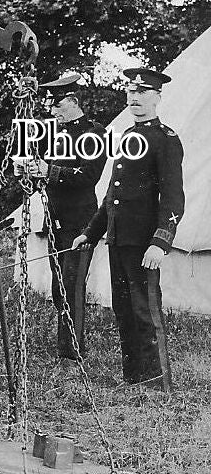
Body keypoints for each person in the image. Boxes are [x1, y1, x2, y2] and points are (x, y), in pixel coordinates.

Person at [71, 67, 183, 390]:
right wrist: (90, 233)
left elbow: (174, 198)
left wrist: (160, 243)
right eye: (131, 93)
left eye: (143, 93)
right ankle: (133, 378)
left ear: (157, 98)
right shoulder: (128, 136)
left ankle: (157, 384)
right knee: (123, 309)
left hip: (144, 244)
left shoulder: (165, 141)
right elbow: (112, 195)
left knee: (146, 311)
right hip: (118, 241)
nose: (135, 98)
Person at [27, 73, 106, 363]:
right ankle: (67, 346)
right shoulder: (57, 135)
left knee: (72, 286)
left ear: (73, 101)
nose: (53, 111)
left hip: (80, 224)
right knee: (59, 288)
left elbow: (88, 176)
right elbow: (49, 175)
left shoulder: (94, 134)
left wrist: (50, 171)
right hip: (55, 221)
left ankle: (72, 354)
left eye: (57, 104)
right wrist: (34, 175)